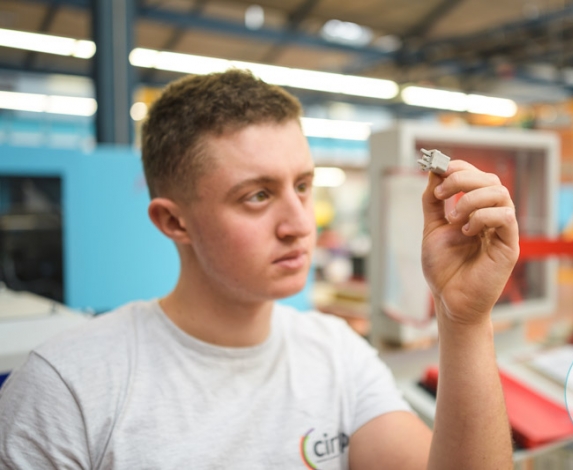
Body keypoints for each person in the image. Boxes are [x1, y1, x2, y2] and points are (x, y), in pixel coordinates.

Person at [0, 69, 519, 469]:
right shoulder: (68, 387)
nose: (299, 223)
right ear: (174, 222)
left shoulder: (337, 357)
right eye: (257, 195)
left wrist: (465, 320)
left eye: (303, 185)